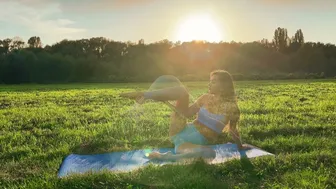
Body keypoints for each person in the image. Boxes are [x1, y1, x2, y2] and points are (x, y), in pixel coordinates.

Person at [120, 70, 248, 161]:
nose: (209, 84)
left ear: (223, 86)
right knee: (182, 91)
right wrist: (170, 102)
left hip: (191, 144)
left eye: (213, 82)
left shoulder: (232, 108)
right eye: (210, 81)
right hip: (181, 130)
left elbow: (233, 130)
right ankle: (145, 95)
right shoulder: (205, 98)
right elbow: (186, 113)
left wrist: (240, 146)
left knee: (210, 153)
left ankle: (168, 156)